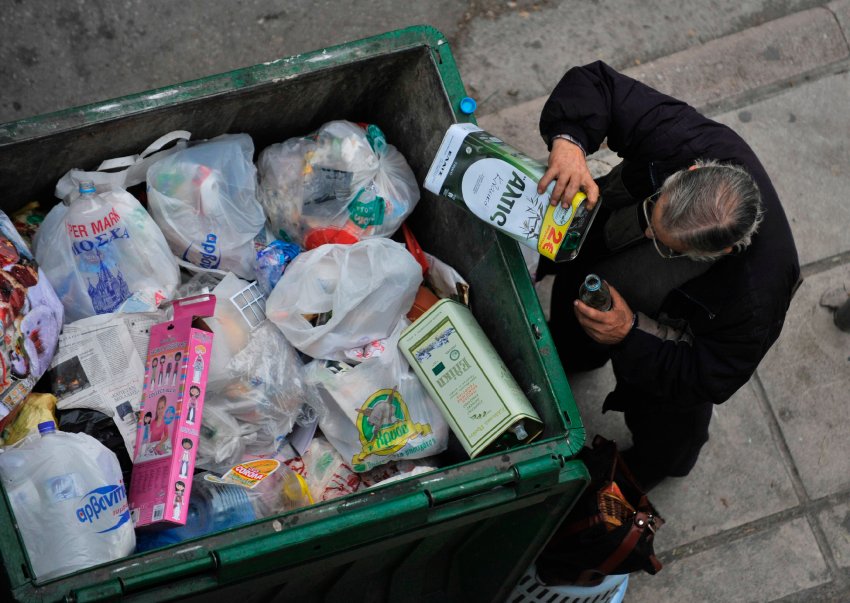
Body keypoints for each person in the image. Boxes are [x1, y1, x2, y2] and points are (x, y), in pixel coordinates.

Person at [536, 61, 800, 490]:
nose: (645, 234)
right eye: (653, 214)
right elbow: (598, 84)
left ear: (723, 250)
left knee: (668, 435)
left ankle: (647, 470)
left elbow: (708, 374)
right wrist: (569, 143)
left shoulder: (757, 295)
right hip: (596, 262)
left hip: (666, 330)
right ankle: (572, 356)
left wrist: (630, 334)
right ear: (691, 171)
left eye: (665, 246)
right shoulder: (688, 139)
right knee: (571, 333)